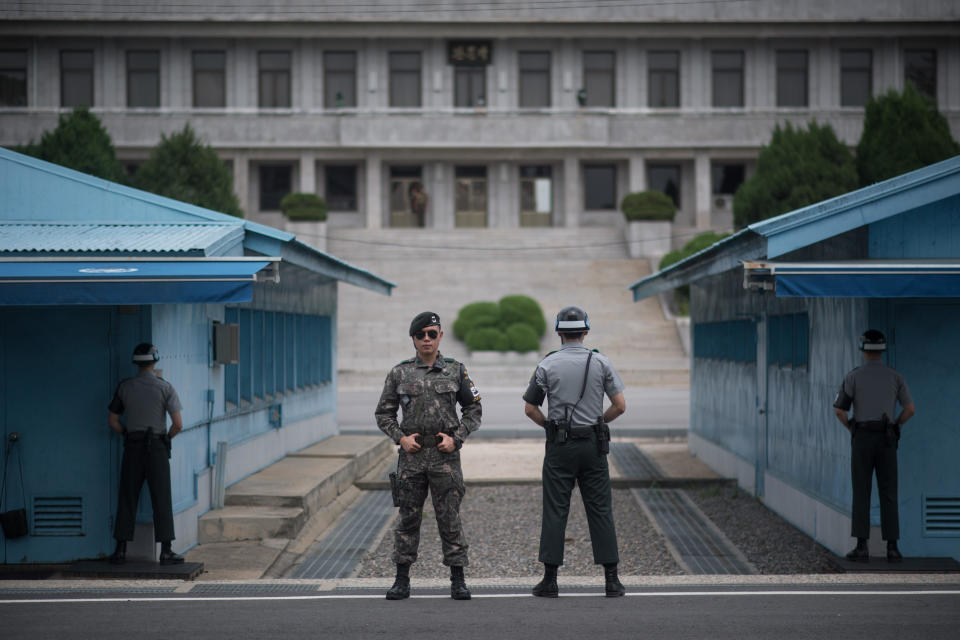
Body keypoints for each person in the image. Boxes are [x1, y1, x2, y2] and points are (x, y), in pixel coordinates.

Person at [375, 311, 482, 601]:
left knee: (450, 519)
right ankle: (401, 580)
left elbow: (473, 409)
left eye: (431, 334)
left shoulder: (455, 370)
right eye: (421, 334)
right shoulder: (399, 373)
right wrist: (400, 437)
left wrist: (456, 438)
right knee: (408, 519)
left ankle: (458, 580)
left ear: (440, 337)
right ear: (413, 338)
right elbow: (383, 413)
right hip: (412, 457)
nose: (426, 339)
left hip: (445, 457)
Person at [523, 306, 627, 597]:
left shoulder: (547, 365)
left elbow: (531, 408)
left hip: (560, 446)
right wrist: (598, 423)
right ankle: (612, 580)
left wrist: (549, 426)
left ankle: (550, 581)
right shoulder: (601, 362)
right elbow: (620, 405)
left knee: (556, 510)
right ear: (586, 331)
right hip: (594, 445)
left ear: (558, 332)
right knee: (600, 509)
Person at [833, 329, 915, 563]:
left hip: (862, 438)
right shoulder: (895, 377)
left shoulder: (854, 377)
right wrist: (896, 426)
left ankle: (862, 546)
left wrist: (851, 427)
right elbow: (910, 410)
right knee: (889, 491)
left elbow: (839, 410)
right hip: (887, 438)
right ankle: (892, 547)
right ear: (883, 350)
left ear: (863, 350)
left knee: (862, 491)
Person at [107, 343, 184, 565]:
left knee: (127, 495)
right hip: (157, 447)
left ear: (136, 362)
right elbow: (178, 424)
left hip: (133, 445)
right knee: (161, 497)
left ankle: (120, 550)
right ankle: (166, 551)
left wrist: (128, 434)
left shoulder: (125, 387)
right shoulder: (165, 388)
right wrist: (165, 439)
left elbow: (113, 421)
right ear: (155, 360)